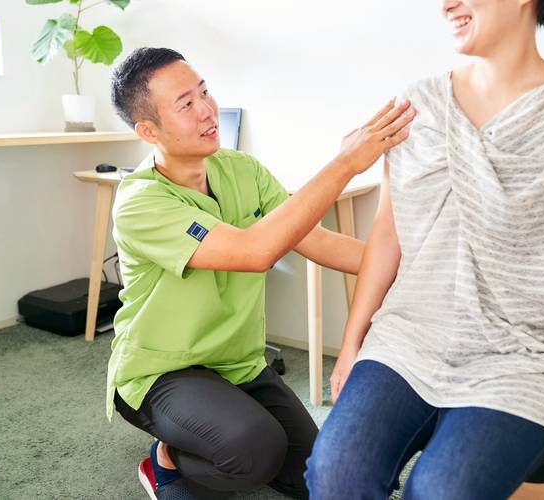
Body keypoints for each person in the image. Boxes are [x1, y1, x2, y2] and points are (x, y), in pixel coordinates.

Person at [305, 1, 544, 498]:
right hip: (407, 341)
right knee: (335, 473)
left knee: (443, 489)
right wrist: (351, 343)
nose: (446, 4)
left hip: (524, 358)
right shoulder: (415, 105)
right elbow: (388, 235)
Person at [105, 47, 415, 499]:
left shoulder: (241, 169)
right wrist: (345, 162)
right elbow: (255, 252)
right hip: (162, 373)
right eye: (186, 104)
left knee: (326, 476)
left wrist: (416, 265)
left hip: (238, 364)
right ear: (148, 130)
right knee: (254, 450)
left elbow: (318, 241)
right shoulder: (140, 202)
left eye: (204, 92)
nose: (207, 110)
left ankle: (226, 427)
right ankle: (166, 459)